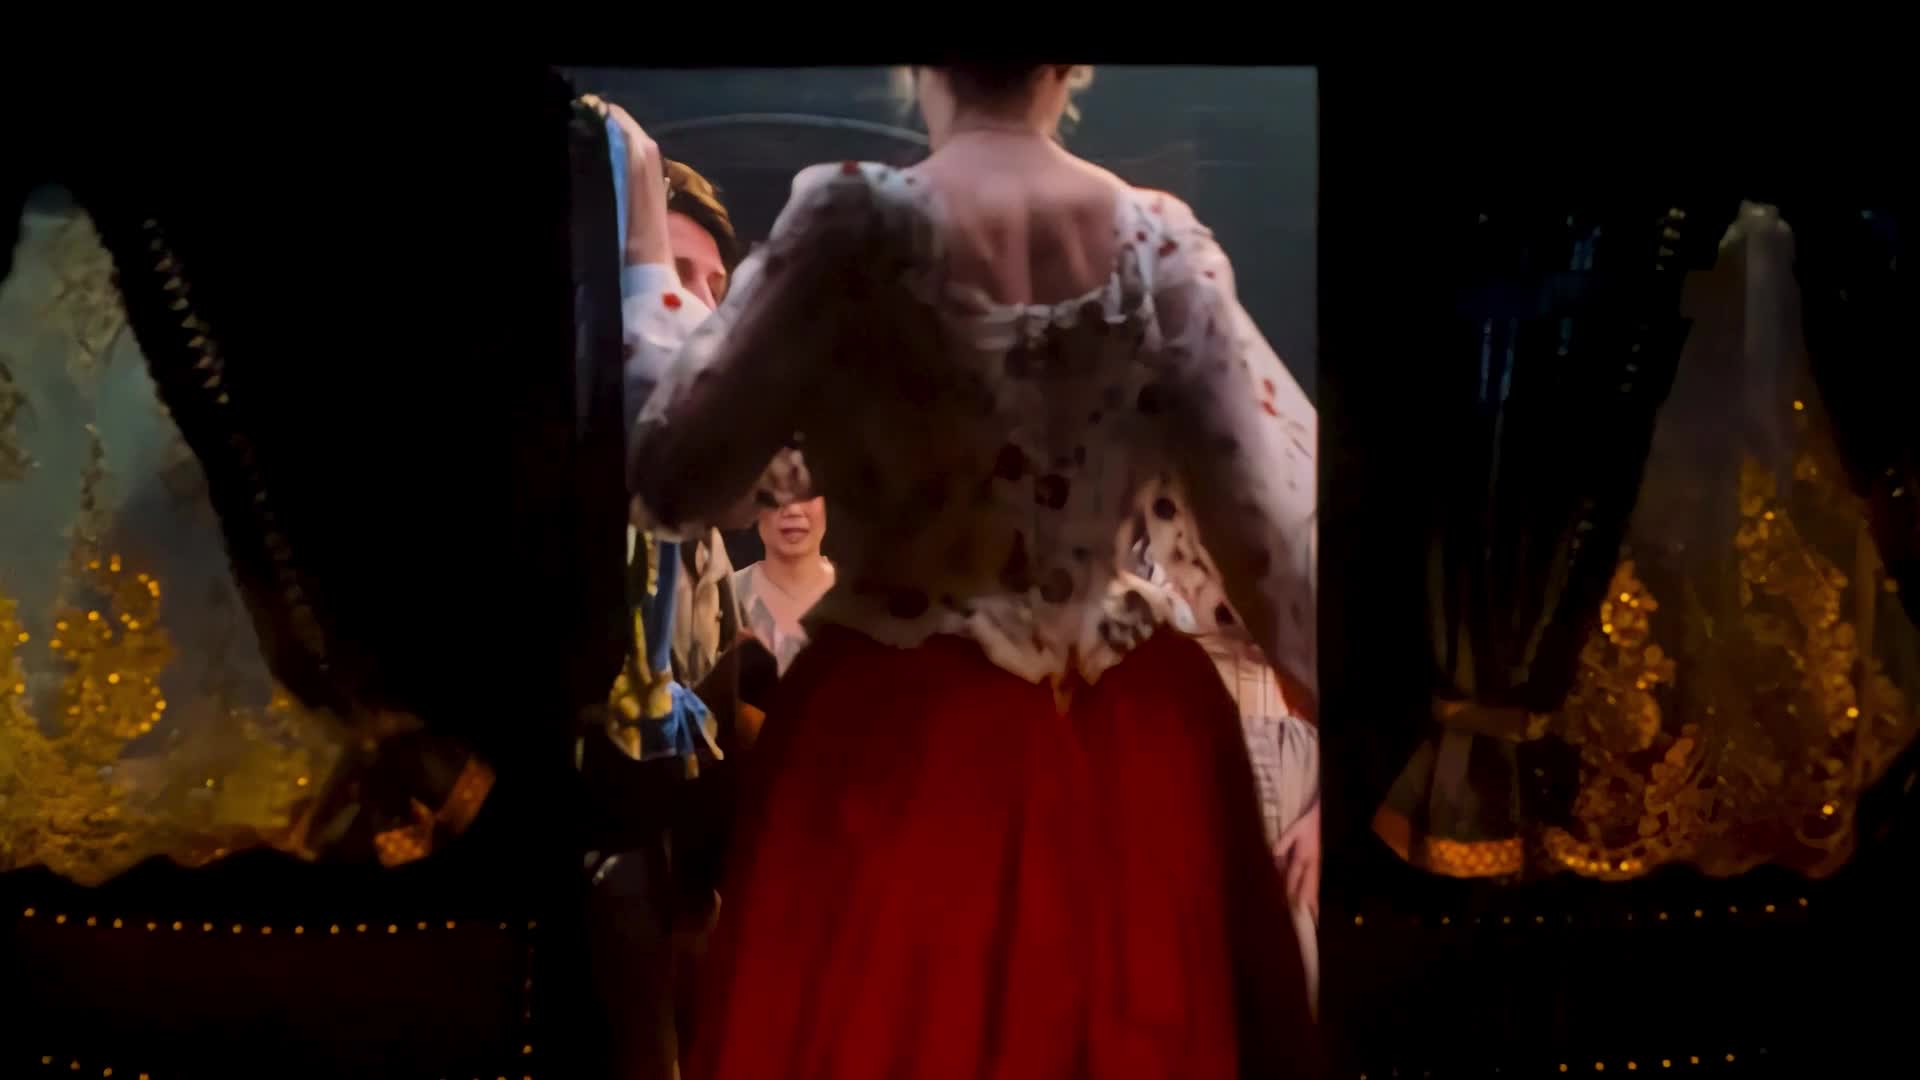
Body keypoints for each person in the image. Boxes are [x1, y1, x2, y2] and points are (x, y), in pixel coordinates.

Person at [609, 63, 1317, 1077]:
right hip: (1132, 736)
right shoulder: (1160, 242)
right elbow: (1273, 546)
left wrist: (646, 267)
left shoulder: (850, 222)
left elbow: (678, 471)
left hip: (898, 730)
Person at [733, 496, 835, 676]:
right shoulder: (723, 593)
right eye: (777, 496)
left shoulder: (861, 604)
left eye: (808, 495)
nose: (793, 511)